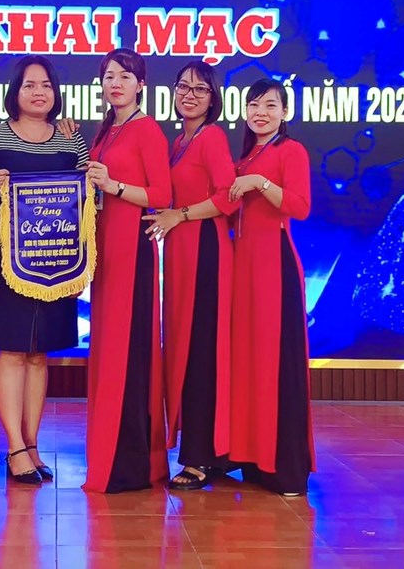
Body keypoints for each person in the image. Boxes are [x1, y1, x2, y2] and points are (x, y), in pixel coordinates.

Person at [0, 55, 91, 485]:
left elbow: (89, 203)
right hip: (7, 262)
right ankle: (14, 447)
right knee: (13, 351)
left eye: (46, 85)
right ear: (15, 91)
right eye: (30, 85)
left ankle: (32, 444)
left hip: (59, 261)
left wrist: (82, 265)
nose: (38, 92)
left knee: (39, 354)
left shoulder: (71, 138)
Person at [142, 61, 238, 491]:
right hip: (181, 252)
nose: (190, 95)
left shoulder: (212, 137)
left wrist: (179, 214)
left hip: (206, 250)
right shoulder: (180, 141)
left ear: (213, 98)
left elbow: (228, 198)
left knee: (202, 351)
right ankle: (206, 450)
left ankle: (202, 456)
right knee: (184, 348)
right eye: (183, 87)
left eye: (200, 89)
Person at [81, 48, 171, 493]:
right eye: (108, 76)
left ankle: (130, 462)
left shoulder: (146, 129)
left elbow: (162, 194)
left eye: (124, 76)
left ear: (141, 84)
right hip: (106, 251)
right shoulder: (108, 129)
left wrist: (113, 185)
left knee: (129, 351)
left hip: (132, 247)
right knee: (110, 349)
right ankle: (110, 452)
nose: (115, 83)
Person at [226, 77, 314, 496]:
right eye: (254, 105)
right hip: (242, 271)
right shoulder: (244, 158)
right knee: (249, 364)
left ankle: (285, 467)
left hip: (274, 269)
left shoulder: (290, 150)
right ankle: (253, 459)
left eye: (270, 105)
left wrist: (259, 183)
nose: (260, 113)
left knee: (278, 365)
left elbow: (299, 206)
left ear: (285, 112)